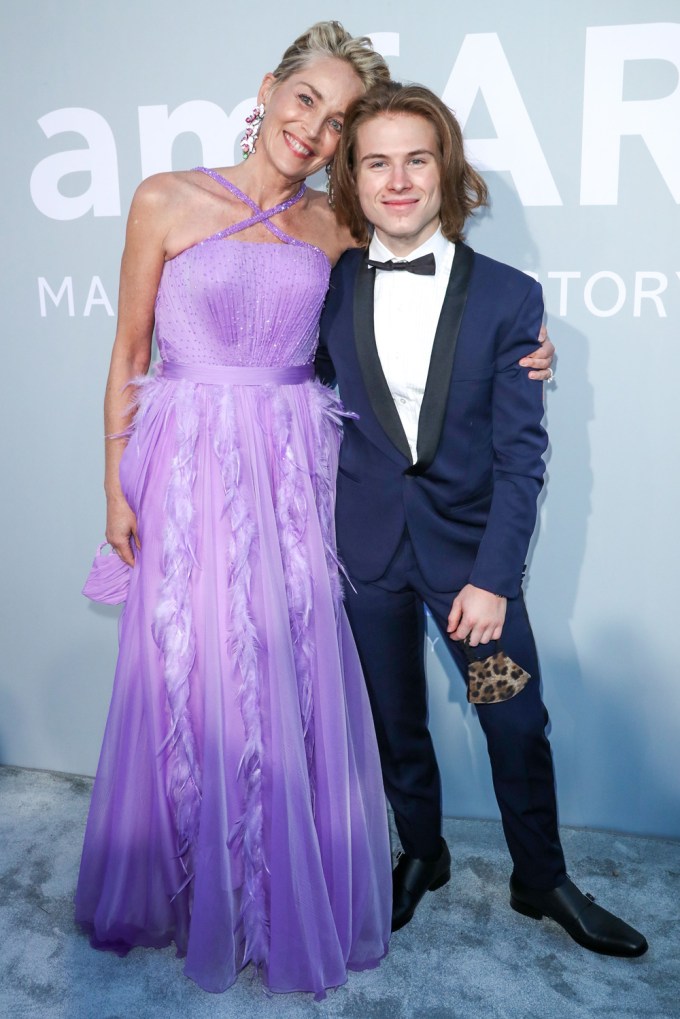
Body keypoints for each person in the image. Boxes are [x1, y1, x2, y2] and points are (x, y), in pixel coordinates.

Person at [76, 23, 554, 996]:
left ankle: (517, 878)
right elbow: (128, 354)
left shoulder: (336, 228)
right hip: (195, 475)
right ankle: (210, 885)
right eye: (307, 102)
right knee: (199, 681)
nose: (315, 129)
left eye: (339, 122)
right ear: (268, 90)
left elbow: (430, 304)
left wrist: (524, 346)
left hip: (303, 481)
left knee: (322, 686)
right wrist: (114, 487)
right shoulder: (163, 199)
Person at [316, 81, 647, 958]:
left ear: (446, 169)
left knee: (512, 718)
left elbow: (522, 457)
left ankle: (539, 876)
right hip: (368, 558)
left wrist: (496, 578)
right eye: (376, 161)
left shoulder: (509, 296)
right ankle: (421, 852)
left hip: (472, 564)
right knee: (396, 723)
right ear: (351, 175)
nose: (397, 179)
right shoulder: (329, 282)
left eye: (415, 159)